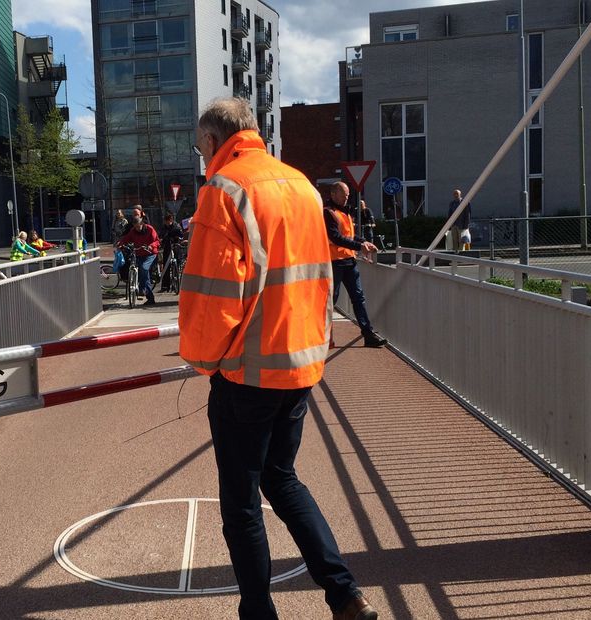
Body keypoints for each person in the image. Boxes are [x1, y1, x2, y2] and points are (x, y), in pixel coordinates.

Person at [181, 98, 377, 620]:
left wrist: (206, 362)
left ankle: (259, 613)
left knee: (242, 503)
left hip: (246, 370)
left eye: (200, 148)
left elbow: (213, 294)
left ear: (211, 141)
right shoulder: (301, 186)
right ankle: (345, 594)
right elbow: (319, 276)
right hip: (299, 362)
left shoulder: (223, 190)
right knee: (283, 480)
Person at [325, 181, 388, 349]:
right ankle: (324, 338)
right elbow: (335, 237)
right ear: (333, 194)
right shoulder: (328, 213)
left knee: (358, 298)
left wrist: (364, 241)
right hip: (334, 262)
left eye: (347, 195)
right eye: (343, 195)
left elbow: (350, 235)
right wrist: (360, 246)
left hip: (348, 261)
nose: (347, 197)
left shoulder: (344, 213)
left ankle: (368, 334)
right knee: (331, 301)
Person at [116, 210, 160, 305]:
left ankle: (142, 289)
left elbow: (157, 241)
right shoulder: (133, 231)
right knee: (144, 275)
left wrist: (151, 246)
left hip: (150, 254)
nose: (137, 229)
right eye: (135, 227)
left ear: (142, 223)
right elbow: (126, 238)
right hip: (139, 253)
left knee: (144, 269)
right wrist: (120, 243)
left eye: (138, 227)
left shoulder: (149, 229)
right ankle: (150, 298)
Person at [158, 212, 185, 293]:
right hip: (167, 246)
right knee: (166, 265)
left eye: (169, 221)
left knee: (177, 262)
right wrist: (162, 240)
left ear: (172, 220)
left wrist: (179, 238)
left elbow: (181, 234)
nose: (167, 223)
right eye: (166, 221)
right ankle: (165, 286)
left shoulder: (176, 226)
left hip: (176, 246)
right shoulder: (163, 227)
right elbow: (161, 235)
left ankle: (176, 283)